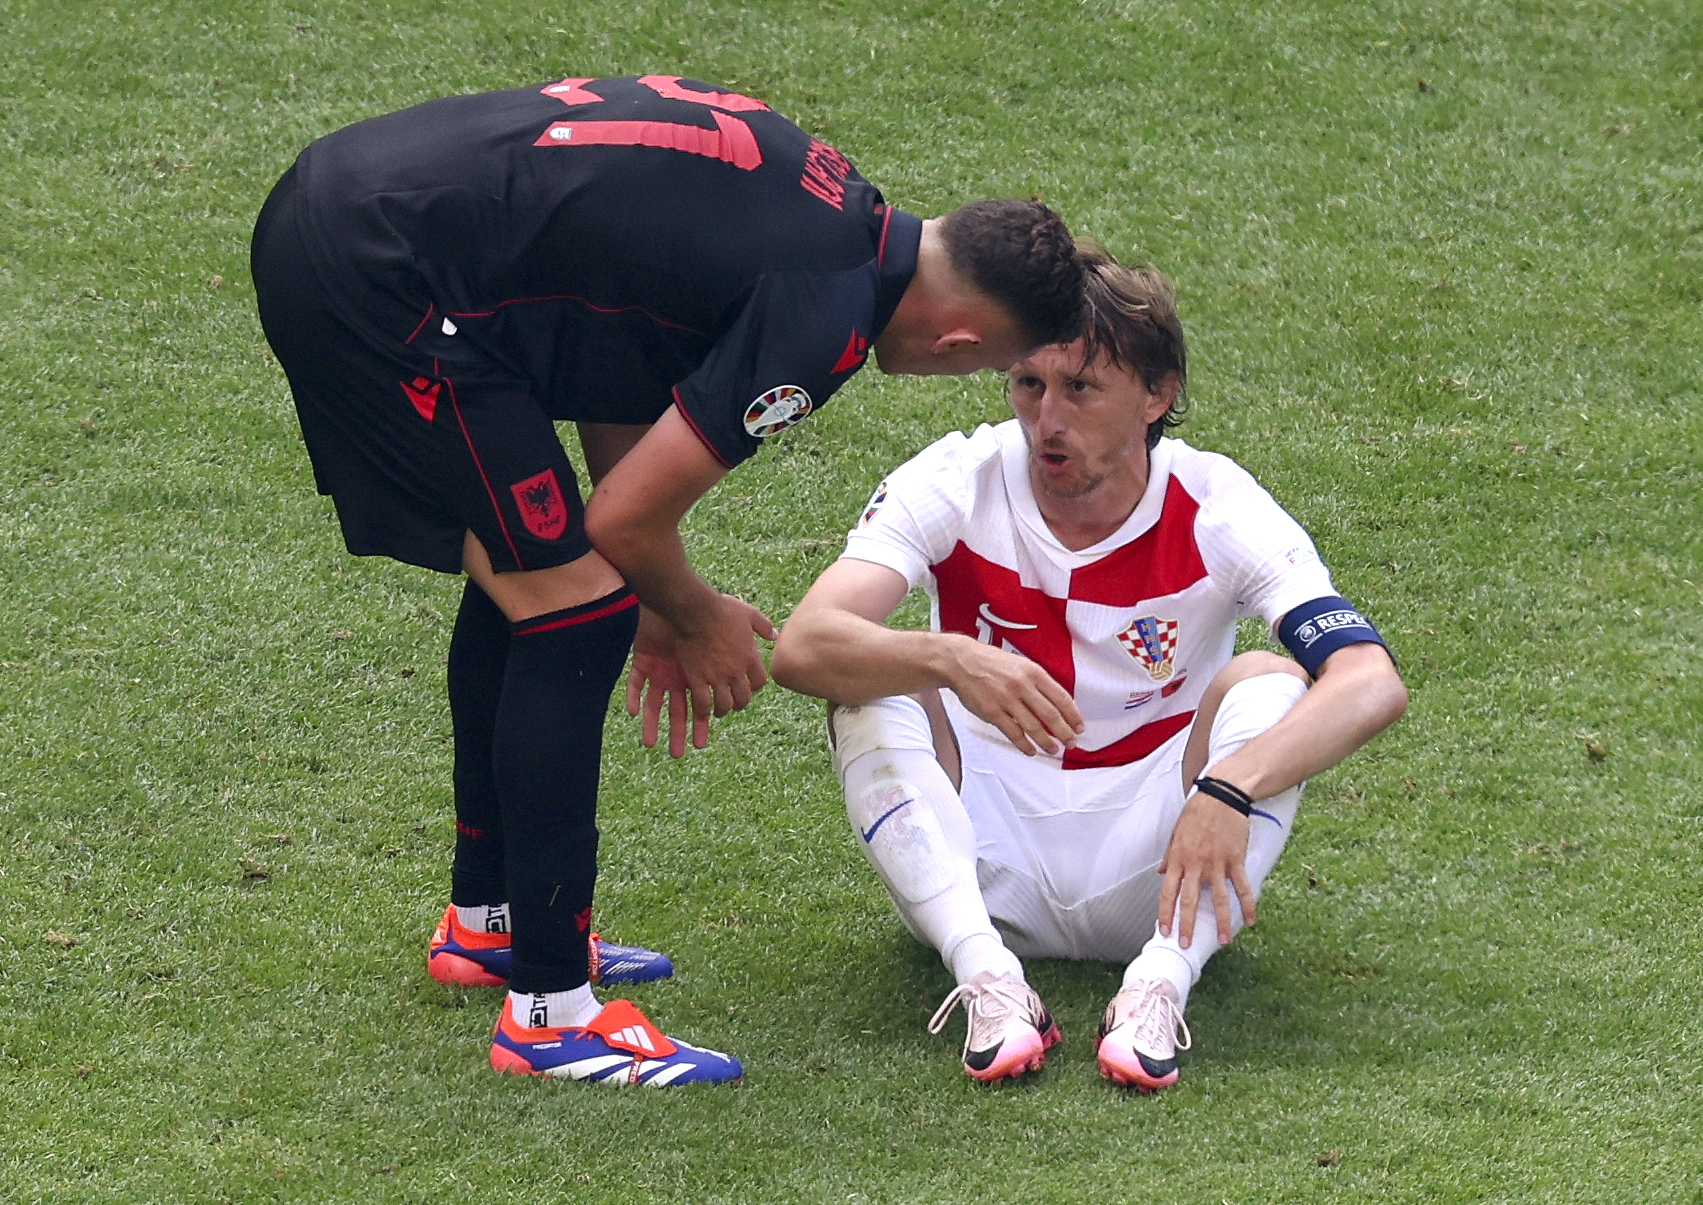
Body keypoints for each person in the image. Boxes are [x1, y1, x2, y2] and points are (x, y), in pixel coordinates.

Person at [250, 74, 1087, 1087]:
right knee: (577, 607)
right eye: (986, 369)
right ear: (962, 340)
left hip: (349, 210)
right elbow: (627, 520)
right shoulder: (827, 317)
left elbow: (623, 369)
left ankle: (491, 921)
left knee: (541, 576)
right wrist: (688, 613)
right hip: (379, 278)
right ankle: (550, 1014)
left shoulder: (823, 190)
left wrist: (649, 580)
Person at [770, 254, 1408, 1089]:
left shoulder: (1216, 504)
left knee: (1271, 683)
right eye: (1027, 384)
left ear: (1155, 394)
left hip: (1157, 868)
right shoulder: (957, 477)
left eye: (1080, 388)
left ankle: (1157, 985)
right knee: (869, 679)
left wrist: (1228, 789)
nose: (1047, 420)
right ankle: (987, 980)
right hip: (975, 860)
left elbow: (1369, 679)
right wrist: (948, 657)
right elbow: (802, 646)